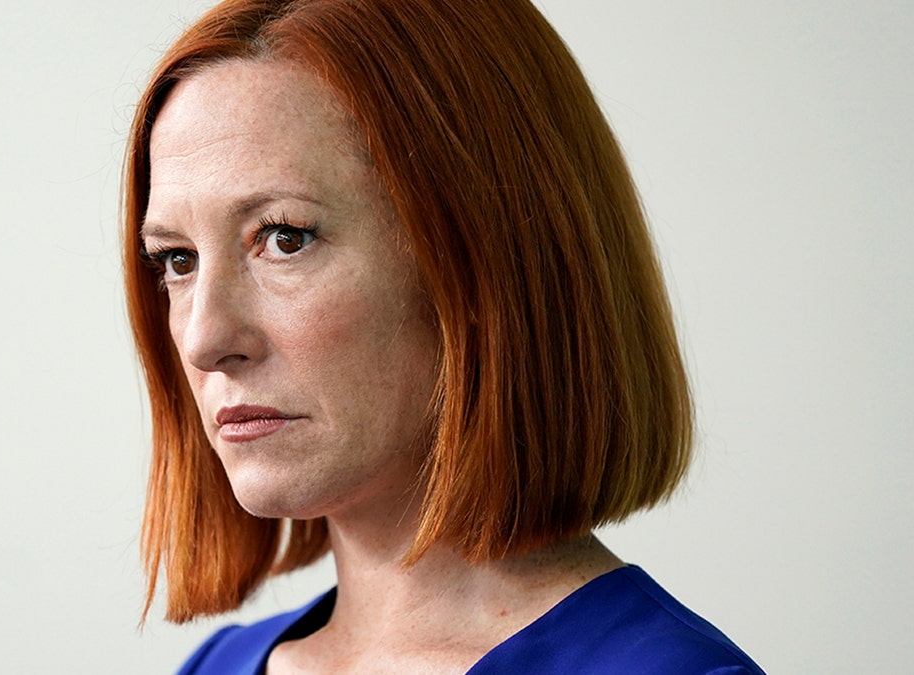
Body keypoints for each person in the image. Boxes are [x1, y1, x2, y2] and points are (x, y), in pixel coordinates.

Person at [123, 0, 765, 672]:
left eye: (285, 238)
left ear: (489, 256)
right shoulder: (217, 664)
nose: (203, 339)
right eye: (178, 259)